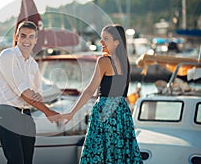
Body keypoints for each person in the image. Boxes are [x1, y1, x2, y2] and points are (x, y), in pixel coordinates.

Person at [60, 24, 143, 163]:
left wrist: (72, 112)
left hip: (105, 112)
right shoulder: (125, 62)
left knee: (100, 155)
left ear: (117, 42)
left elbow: (89, 91)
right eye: (101, 38)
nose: (101, 42)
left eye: (106, 39)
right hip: (122, 112)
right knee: (119, 155)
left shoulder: (104, 61)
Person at [0, 21, 59, 164]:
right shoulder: (7, 56)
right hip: (7, 114)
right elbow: (25, 94)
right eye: (23, 36)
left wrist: (35, 96)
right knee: (17, 161)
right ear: (17, 37)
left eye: (31, 37)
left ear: (36, 40)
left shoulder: (33, 65)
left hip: (27, 117)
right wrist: (48, 112)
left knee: (27, 162)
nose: (27, 40)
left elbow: (37, 94)